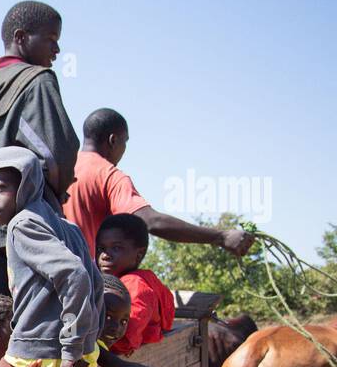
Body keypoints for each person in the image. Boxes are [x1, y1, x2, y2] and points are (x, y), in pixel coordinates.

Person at [0, 0, 80, 296]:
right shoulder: (37, 82)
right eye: (51, 40)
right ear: (20, 37)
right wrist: (52, 191)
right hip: (33, 228)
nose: (56, 51)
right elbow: (59, 154)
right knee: (39, 329)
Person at [0, 147, 102, 367]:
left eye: (0, 188)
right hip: (70, 352)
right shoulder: (70, 229)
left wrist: (72, 349)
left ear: (26, 185)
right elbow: (96, 286)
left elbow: (75, 275)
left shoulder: (21, 224)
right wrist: (87, 347)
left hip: (36, 352)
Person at [64, 108, 255, 259]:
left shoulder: (61, 168)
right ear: (113, 140)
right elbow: (150, 221)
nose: (124, 150)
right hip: (84, 286)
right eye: (125, 142)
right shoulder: (108, 175)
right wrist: (220, 237)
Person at [95, 213, 176, 356]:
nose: (105, 255)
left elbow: (124, 340)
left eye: (116, 248)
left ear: (139, 254)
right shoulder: (116, 282)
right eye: (101, 248)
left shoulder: (134, 286)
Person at [96, 275, 176, 367]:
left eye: (124, 321)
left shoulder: (94, 347)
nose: (116, 327)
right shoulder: (85, 344)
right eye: (108, 317)